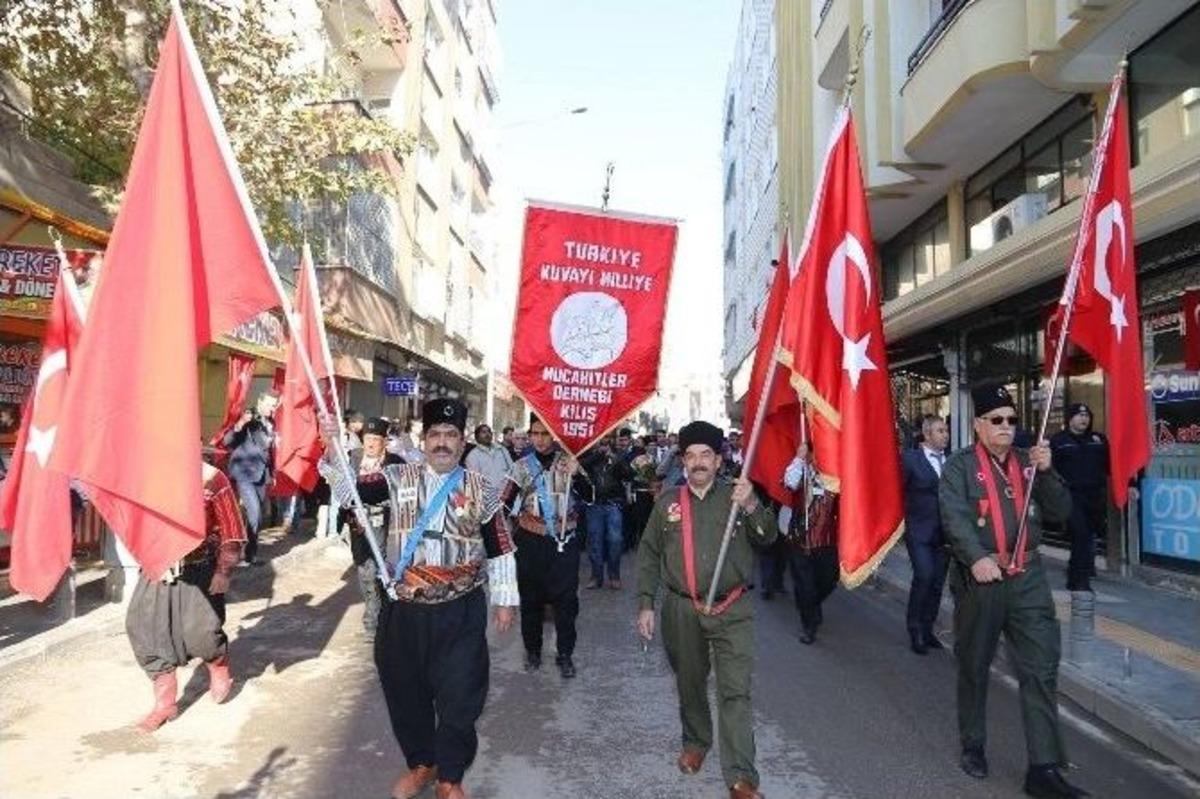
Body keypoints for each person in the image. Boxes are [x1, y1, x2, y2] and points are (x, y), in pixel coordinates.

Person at [322, 399, 518, 799]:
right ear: (424, 440)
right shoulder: (395, 477)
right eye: (435, 436)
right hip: (404, 608)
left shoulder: (482, 488)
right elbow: (351, 495)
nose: (442, 443)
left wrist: (503, 599)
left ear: (462, 442)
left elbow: (499, 545)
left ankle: (449, 777)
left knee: (460, 695)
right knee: (404, 691)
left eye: (450, 436)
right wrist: (330, 446)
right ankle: (421, 763)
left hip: (460, 608)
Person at [940, 384, 1087, 798]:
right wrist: (975, 557)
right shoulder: (960, 467)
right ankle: (973, 743)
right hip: (981, 581)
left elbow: (1061, 512)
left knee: (1040, 668)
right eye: (997, 420)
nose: (1007, 427)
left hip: (1028, 578)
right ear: (978, 425)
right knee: (974, 664)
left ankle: (1043, 769)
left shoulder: (1029, 462)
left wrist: (1048, 472)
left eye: (1012, 420)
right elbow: (953, 517)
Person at [636, 420, 778, 799]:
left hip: (732, 609)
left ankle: (740, 778)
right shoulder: (668, 502)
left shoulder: (738, 495)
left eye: (706, 455)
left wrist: (751, 505)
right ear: (683, 461)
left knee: (735, 692)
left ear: (719, 460)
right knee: (690, 682)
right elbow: (649, 553)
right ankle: (696, 742)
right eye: (691, 456)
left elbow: (769, 538)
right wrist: (646, 604)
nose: (698, 462)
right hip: (682, 609)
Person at [126, 460, 245, 731]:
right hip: (157, 566)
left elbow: (232, 529)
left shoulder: (213, 479)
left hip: (199, 567)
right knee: (144, 628)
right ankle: (164, 703)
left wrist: (223, 570)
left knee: (201, 632)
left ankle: (217, 662)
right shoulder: (148, 474)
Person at [499, 415, 587, 678]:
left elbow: (591, 496)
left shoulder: (569, 462)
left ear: (554, 436)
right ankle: (533, 651)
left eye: (544, 434)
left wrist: (578, 476)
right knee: (531, 599)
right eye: (534, 434)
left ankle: (565, 655)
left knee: (567, 601)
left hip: (564, 540)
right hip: (530, 538)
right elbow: (505, 501)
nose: (539, 439)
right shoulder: (521, 466)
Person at [346, 417, 405, 638]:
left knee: (383, 570)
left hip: (387, 523)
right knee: (364, 569)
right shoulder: (352, 459)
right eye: (367, 439)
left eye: (375, 439)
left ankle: (378, 619)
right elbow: (341, 487)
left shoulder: (396, 463)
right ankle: (375, 613)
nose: (370, 444)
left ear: (384, 442)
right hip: (359, 523)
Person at [902, 414, 950, 655]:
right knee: (924, 576)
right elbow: (897, 492)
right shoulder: (910, 460)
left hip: (945, 535)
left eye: (946, 431)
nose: (945, 435)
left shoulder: (951, 461)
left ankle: (928, 629)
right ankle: (915, 630)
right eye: (940, 431)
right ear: (927, 434)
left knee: (937, 584)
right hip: (918, 531)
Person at [781, 442, 838, 644]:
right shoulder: (800, 471)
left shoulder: (836, 476)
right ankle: (809, 626)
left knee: (830, 580)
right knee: (805, 585)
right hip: (800, 539)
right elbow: (789, 483)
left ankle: (812, 605)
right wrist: (799, 456)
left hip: (827, 541)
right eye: (818, 453)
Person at [1049, 403, 1108, 592]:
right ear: (1070, 418)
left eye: (1086, 415)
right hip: (1070, 496)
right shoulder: (1058, 441)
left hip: (1094, 496)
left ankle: (1080, 569)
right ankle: (1079, 580)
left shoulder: (1098, 439)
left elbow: (1111, 465)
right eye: (1079, 415)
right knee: (1081, 534)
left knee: (1087, 536)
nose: (1084, 419)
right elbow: (1049, 471)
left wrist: (1129, 484)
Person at [223, 392, 277, 565]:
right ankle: (243, 553)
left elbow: (269, 451)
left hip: (262, 474)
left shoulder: (271, 423)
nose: (272, 408)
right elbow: (228, 440)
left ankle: (250, 553)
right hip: (245, 473)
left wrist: (273, 472)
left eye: (274, 405)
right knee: (255, 513)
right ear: (260, 402)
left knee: (256, 516)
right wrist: (241, 423)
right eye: (269, 405)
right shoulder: (250, 417)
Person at [579, 436, 636, 589]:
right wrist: (598, 454)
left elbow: (630, 474)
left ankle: (614, 575)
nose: (604, 445)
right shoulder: (589, 457)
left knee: (615, 540)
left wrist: (615, 459)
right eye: (600, 442)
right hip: (594, 505)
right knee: (594, 541)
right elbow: (580, 467)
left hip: (613, 504)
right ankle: (596, 576)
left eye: (606, 442)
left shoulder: (618, 457)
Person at [464, 423, 514, 503]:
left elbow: (513, 471)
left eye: (489, 432)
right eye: (483, 432)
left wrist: (507, 491)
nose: (487, 434)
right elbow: (475, 482)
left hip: (508, 496)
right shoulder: (472, 456)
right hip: (488, 501)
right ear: (477, 436)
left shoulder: (502, 450)